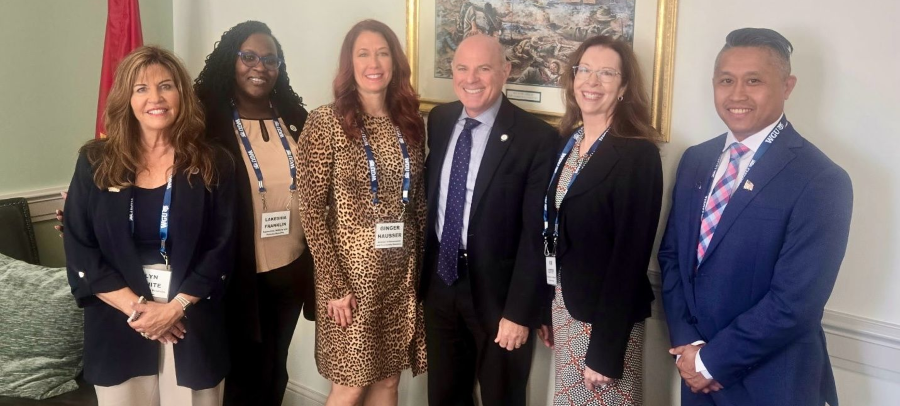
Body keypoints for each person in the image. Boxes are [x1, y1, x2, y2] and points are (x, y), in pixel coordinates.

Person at [659, 28, 853, 406]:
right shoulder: (696, 160)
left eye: (754, 81)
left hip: (771, 383)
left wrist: (712, 362)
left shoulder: (821, 179)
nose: (737, 94)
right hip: (694, 372)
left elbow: (796, 302)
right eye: (726, 80)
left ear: (787, 86)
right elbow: (673, 258)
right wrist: (689, 346)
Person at [63, 46, 235, 406]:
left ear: (182, 95)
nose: (155, 98)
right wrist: (139, 310)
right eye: (141, 88)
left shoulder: (213, 161)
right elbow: (80, 247)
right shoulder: (95, 161)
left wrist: (175, 308)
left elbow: (224, 244)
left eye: (166, 86)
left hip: (190, 318)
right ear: (126, 98)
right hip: (119, 320)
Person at [421, 34, 556, 406]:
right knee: (445, 396)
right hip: (440, 283)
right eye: (462, 68)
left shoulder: (537, 137)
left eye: (484, 68)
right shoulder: (441, 118)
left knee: (502, 397)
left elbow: (538, 234)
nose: (472, 78)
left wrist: (520, 311)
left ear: (506, 70)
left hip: (500, 297)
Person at [297, 19, 427, 406]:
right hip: (349, 284)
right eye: (364, 53)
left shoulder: (410, 124)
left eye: (383, 52)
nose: (375, 62)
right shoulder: (326, 122)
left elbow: (417, 201)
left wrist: (419, 276)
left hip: (399, 279)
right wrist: (335, 287)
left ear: (395, 62)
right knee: (350, 386)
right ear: (349, 63)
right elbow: (311, 211)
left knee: (388, 381)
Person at [535, 35, 662, 405]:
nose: (592, 82)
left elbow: (629, 259)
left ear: (623, 87)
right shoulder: (569, 142)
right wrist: (548, 301)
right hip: (565, 307)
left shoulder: (638, 154)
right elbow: (552, 224)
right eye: (584, 70)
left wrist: (605, 353)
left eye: (606, 73)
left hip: (606, 324)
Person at [193, 20, 314, 406]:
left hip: (290, 270)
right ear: (231, 60)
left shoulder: (297, 119)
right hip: (235, 273)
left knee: (275, 368)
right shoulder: (204, 124)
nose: (259, 67)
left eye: (270, 59)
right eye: (249, 56)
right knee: (240, 373)